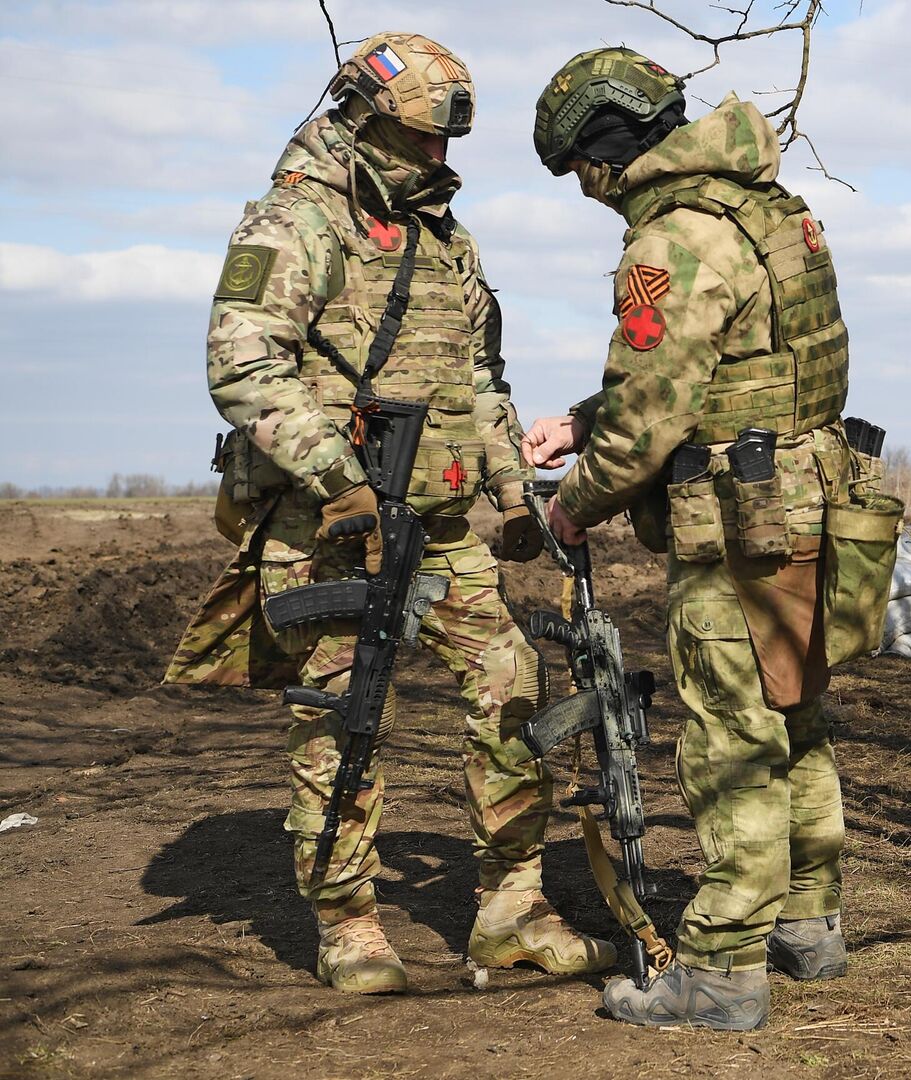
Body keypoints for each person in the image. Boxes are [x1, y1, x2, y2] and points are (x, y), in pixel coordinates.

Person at [166, 32, 614, 994]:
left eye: (449, 144)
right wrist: (339, 476)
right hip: (333, 521)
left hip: (445, 524)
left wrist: (509, 493)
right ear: (365, 122)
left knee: (513, 684)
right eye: (424, 140)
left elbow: (479, 381)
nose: (442, 161)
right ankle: (348, 920)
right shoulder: (296, 224)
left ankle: (513, 908)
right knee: (344, 713)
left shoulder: (446, 239)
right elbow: (240, 363)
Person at [523, 47, 861, 1031]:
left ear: (601, 154)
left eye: (579, 174)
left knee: (731, 743)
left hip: (735, 524)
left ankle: (719, 969)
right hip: (813, 495)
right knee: (795, 717)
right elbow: (743, 364)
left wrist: (572, 500)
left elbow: (651, 420)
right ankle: (809, 922)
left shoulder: (669, 240)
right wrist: (586, 419)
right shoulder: (769, 208)